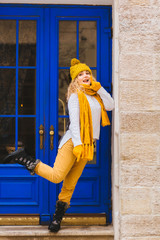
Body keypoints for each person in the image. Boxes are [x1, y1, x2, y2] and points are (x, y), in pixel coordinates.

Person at [4, 58, 114, 232]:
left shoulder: (95, 95)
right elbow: (76, 124)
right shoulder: (74, 97)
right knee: (57, 176)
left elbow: (110, 105)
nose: (85, 76)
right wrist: (78, 145)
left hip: (87, 144)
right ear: (75, 79)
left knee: (70, 184)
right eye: (80, 74)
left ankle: (57, 218)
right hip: (73, 142)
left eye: (87, 73)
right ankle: (23, 158)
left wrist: (99, 88)